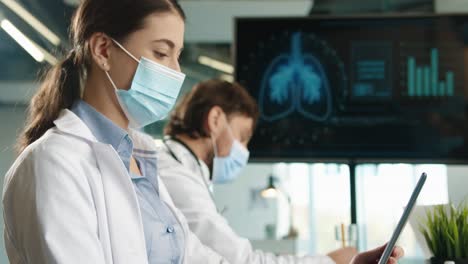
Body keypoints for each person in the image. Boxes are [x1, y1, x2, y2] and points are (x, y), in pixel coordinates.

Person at [2, 1, 228, 263]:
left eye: (178, 56)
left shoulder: (139, 158)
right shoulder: (52, 162)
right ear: (103, 50)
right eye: (161, 53)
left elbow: (191, 256)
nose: (176, 72)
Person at [158, 79, 404, 264]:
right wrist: (331, 262)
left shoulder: (184, 173)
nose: (243, 150)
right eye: (242, 137)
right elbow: (241, 261)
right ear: (214, 120)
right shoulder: (175, 178)